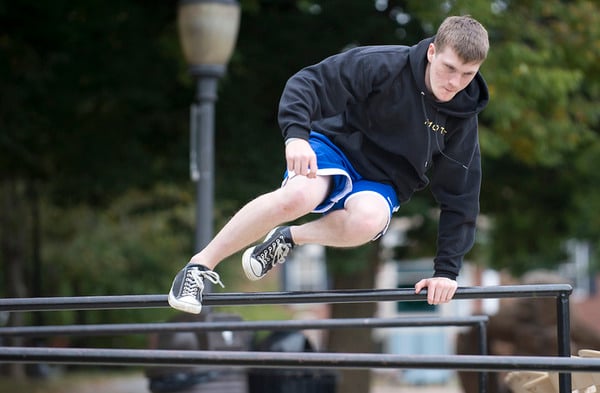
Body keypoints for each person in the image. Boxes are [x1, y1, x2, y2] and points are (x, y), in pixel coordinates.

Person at [168, 15, 489, 315]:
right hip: (336, 146)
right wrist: (295, 137)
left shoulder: (462, 118)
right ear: (432, 52)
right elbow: (310, 83)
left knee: (368, 222)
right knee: (299, 196)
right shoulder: (383, 64)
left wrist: (447, 271)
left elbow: (461, 194)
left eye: (467, 74)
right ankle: (199, 267)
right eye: (449, 68)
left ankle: (290, 238)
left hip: (385, 178)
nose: (454, 83)